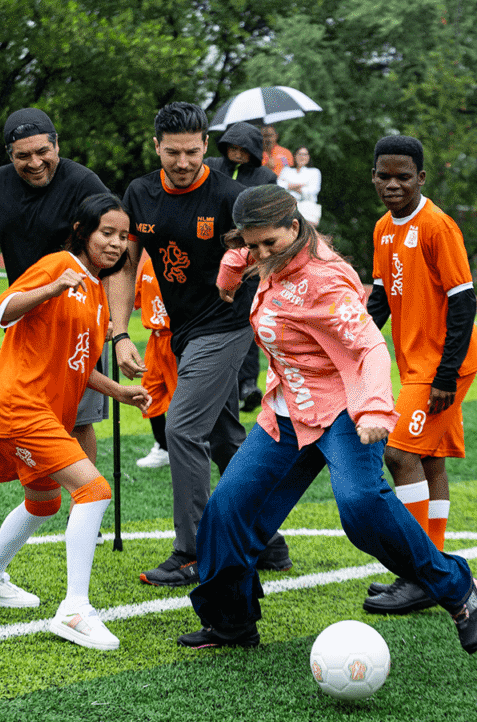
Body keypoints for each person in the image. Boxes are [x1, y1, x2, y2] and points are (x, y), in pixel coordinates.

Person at [174, 184, 477, 653]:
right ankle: (231, 622)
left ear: (295, 227)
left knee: (361, 506)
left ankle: (458, 587)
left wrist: (376, 410)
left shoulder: (327, 281)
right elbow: (244, 258)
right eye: (252, 244)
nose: (262, 254)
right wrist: (229, 273)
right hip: (286, 413)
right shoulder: (260, 253)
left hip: (345, 412)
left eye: (271, 244)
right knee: (227, 510)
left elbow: (368, 348)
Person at [113, 103, 292, 587]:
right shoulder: (140, 194)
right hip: (181, 329)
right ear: (156, 147)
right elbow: (126, 266)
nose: (183, 161)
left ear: (205, 147)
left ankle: (191, 552)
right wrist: (119, 330)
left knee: (183, 430)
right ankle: (268, 539)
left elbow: (270, 253)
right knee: (224, 438)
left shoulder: (230, 197)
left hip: (226, 325)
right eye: (172, 152)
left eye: (192, 151)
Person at [0, 193, 150, 650]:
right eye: (108, 232)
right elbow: (0, 312)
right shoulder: (58, 265)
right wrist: (50, 287)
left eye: (124, 237)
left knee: (43, 502)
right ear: (83, 230)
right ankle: (74, 611)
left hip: (42, 413)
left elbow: (79, 363)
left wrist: (118, 391)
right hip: (19, 409)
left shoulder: (98, 291)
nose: (116, 243)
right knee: (94, 489)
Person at [0, 107, 120, 466]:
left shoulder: (84, 184)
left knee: (77, 418)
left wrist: (113, 317)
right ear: (10, 155)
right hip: (26, 317)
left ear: (57, 145)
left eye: (43, 152)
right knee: (31, 411)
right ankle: (43, 496)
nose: (35, 162)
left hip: (75, 318)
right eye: (23, 155)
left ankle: (84, 511)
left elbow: (118, 249)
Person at [361, 136, 477, 615]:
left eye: (403, 177)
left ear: (421, 178)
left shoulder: (437, 225)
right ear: (373, 176)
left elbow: (463, 300)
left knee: (398, 453)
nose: (393, 185)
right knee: (430, 460)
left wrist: (447, 375)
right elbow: (379, 299)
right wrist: (349, 343)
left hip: (441, 367)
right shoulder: (382, 229)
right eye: (384, 176)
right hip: (416, 363)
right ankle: (435, 571)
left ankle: (417, 574)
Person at [204, 121, 276, 411]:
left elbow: (272, 212)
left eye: (243, 149)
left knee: (246, 322)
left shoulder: (264, 177)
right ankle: (217, 379)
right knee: (211, 321)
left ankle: (247, 384)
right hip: (209, 256)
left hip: (247, 260)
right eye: (232, 147)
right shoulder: (210, 167)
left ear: (253, 151)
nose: (237, 153)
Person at [133, 256, 177, 469]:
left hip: (177, 338)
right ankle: (163, 446)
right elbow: (136, 298)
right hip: (156, 339)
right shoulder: (148, 264)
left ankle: (197, 447)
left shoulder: (181, 260)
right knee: (149, 393)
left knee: (184, 398)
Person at [277, 147, 322, 226]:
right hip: (287, 209)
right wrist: (301, 185)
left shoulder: (314, 172)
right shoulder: (286, 171)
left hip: (306, 210)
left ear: (308, 157)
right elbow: (279, 186)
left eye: (305, 154)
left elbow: (313, 190)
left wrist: (289, 186)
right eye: (299, 154)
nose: (302, 157)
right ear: (295, 156)